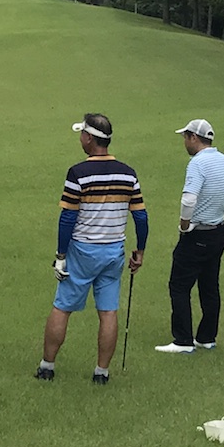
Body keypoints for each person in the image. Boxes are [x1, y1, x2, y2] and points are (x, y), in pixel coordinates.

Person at [37, 114, 146, 385]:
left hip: (83, 250)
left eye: (81, 135)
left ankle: (47, 366)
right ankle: (101, 372)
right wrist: (140, 251)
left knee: (62, 307)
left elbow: (68, 218)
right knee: (108, 311)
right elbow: (141, 217)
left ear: (89, 138)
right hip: (114, 251)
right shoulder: (128, 173)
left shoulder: (78, 173)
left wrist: (61, 255)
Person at [155, 118, 224, 354]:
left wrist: (184, 225)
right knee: (209, 285)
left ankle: (182, 340)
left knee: (179, 286)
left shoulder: (197, 163)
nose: (184, 142)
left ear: (194, 137)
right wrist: (222, 208)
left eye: (185, 137)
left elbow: (189, 198)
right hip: (219, 232)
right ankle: (206, 337)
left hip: (197, 233)